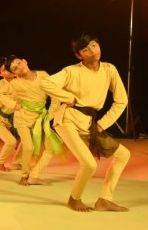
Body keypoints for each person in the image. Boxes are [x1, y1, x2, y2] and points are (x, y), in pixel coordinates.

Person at [41, 33, 130, 212]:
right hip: (67, 120)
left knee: (123, 155)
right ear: (79, 55)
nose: (92, 51)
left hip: (91, 123)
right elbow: (46, 83)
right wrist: (68, 97)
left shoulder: (109, 69)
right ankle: (75, 199)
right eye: (85, 49)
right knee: (89, 164)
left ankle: (104, 199)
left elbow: (122, 100)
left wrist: (103, 124)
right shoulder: (71, 71)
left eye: (94, 45)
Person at [0, 55, 63, 185]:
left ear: (25, 61)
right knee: (28, 147)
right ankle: (24, 176)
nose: (19, 67)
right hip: (22, 118)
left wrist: (50, 115)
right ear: (14, 74)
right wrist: (13, 105)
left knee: (50, 148)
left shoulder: (43, 75)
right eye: (15, 68)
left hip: (40, 118)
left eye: (19, 63)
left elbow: (55, 95)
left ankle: (35, 175)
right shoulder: (16, 83)